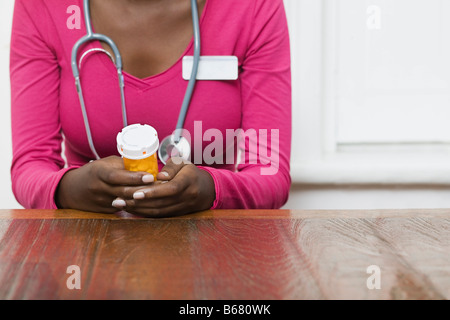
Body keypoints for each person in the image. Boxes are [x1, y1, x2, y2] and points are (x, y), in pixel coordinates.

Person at [10, 0, 292, 217]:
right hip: (87, 254)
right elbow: (30, 166)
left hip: (210, 249)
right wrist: (68, 189)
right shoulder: (44, 5)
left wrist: (212, 189)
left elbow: (269, 174)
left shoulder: (253, 6)